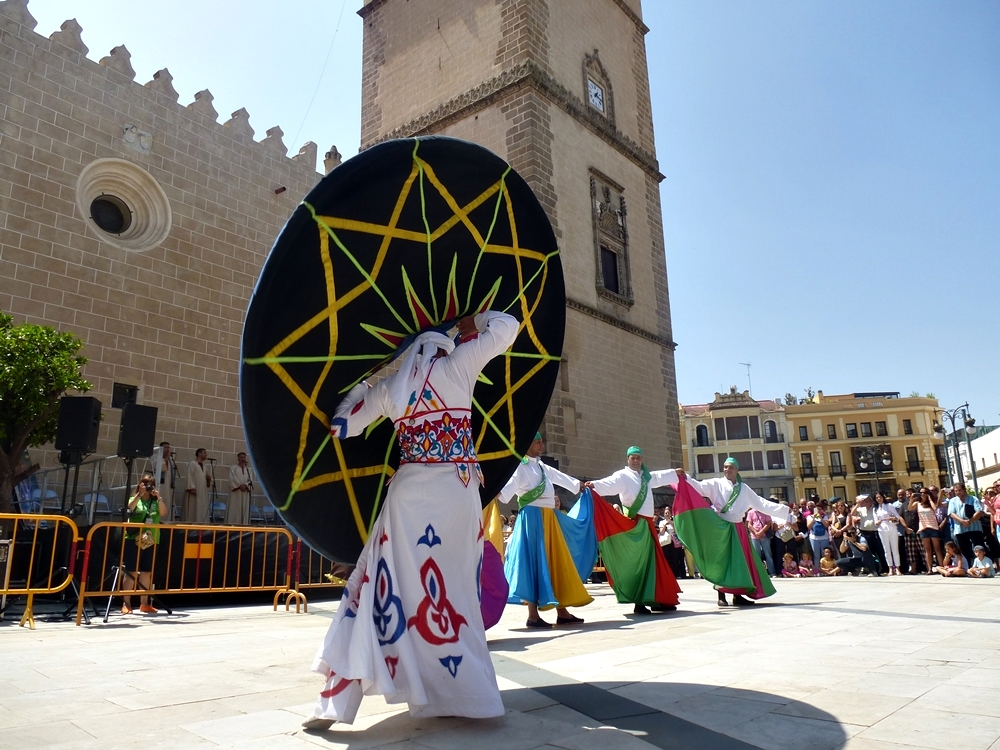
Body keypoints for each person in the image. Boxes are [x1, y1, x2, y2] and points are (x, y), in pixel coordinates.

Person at [304, 311, 517, 729]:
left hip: (408, 497)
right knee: (454, 594)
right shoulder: (458, 364)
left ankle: (337, 701)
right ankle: (465, 694)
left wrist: (370, 379)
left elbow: (341, 426)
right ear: (442, 343)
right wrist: (472, 322)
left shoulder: (391, 388)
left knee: (378, 590)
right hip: (455, 493)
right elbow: (507, 327)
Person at [500, 432, 593, 628]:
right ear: (527, 445)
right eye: (537, 442)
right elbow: (505, 492)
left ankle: (562, 611)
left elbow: (559, 477)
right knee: (534, 563)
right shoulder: (519, 467)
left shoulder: (542, 466)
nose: (541, 445)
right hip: (532, 518)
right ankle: (533, 616)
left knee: (553, 561)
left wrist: (578, 485)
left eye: (542, 442)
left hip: (548, 517)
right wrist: (494, 490)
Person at [675, 458, 790, 606]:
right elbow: (698, 487)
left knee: (739, 562)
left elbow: (760, 503)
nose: (727, 470)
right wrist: (685, 478)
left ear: (737, 470)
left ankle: (738, 595)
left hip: (738, 527)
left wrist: (783, 510)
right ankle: (721, 596)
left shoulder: (744, 488)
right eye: (725, 467)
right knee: (722, 560)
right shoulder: (716, 483)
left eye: (730, 467)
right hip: (720, 526)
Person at [587, 447, 682, 615]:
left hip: (647, 525)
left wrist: (674, 473)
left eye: (639, 458)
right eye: (633, 458)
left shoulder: (646, 477)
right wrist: (594, 485)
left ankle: (656, 599)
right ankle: (639, 601)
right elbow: (609, 483)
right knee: (638, 564)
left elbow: (659, 477)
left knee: (651, 563)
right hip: (634, 524)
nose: (636, 461)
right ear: (627, 459)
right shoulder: (623, 476)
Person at [121, 473, 167, 614]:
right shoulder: (134, 498)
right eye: (145, 483)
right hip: (133, 538)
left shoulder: (155, 501)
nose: (147, 487)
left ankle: (144, 603)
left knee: (147, 572)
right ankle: (126, 603)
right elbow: (129, 508)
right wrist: (139, 495)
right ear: (140, 485)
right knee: (131, 571)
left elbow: (164, 513)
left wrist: (158, 497)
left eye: (150, 484)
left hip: (151, 539)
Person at [948, 483, 987, 566]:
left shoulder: (973, 499)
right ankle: (968, 567)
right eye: (956, 491)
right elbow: (952, 514)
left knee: (979, 547)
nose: (958, 492)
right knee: (963, 549)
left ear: (964, 490)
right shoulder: (953, 501)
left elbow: (979, 512)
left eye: (960, 490)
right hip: (960, 529)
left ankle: (983, 566)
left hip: (974, 527)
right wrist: (962, 521)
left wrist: (970, 521)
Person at [849, 494, 885, 574]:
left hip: (874, 532)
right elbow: (852, 514)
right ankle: (872, 568)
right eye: (864, 501)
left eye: (867, 501)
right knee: (869, 552)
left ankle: (884, 568)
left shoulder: (875, 509)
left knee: (879, 551)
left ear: (871, 501)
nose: (866, 502)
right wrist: (858, 504)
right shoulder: (861, 509)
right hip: (865, 533)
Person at [874, 492, 908, 575]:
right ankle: (890, 568)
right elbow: (875, 521)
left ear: (883, 497)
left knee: (895, 549)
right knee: (886, 550)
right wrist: (877, 522)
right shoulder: (875, 508)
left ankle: (898, 568)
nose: (879, 499)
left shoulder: (889, 506)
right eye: (877, 498)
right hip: (882, 529)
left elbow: (897, 517)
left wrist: (892, 518)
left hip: (892, 527)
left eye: (880, 497)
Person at [912, 488, 944, 574]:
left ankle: (941, 568)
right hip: (923, 528)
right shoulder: (918, 503)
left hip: (933, 527)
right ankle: (929, 569)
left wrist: (930, 499)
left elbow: (935, 508)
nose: (922, 494)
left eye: (924, 492)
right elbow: (910, 508)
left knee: (937, 548)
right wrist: (912, 498)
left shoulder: (931, 503)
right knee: (927, 549)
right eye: (921, 492)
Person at [747, 505, 776, 576]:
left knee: (768, 554)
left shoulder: (765, 511)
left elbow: (768, 523)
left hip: (765, 535)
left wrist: (761, 532)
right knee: (757, 555)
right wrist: (756, 533)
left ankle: (772, 572)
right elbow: (749, 525)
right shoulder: (751, 512)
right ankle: (758, 573)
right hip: (754, 536)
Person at [185, 448, 211, 523]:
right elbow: (189, 475)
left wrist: (208, 479)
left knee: (201, 509)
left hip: (202, 492)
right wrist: (191, 488)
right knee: (193, 508)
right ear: (199, 454)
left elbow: (206, 482)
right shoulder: (192, 464)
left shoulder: (205, 466)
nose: (206, 454)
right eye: (204, 453)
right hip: (194, 491)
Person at [226, 452, 253, 525]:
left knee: (244, 508)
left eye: (244, 457)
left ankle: (244, 524)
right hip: (236, 492)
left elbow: (250, 480)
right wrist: (240, 485)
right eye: (241, 457)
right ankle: (233, 524)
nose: (242, 459)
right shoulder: (233, 468)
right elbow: (232, 478)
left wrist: (245, 485)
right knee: (235, 508)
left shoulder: (249, 469)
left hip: (245, 493)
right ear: (238, 458)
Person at [156, 441, 176, 523]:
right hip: (160, 487)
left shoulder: (171, 460)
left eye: (168, 447)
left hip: (169, 487)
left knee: (168, 505)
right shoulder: (156, 457)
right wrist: (166, 459)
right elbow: (162, 468)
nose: (168, 449)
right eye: (166, 447)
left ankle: (168, 523)